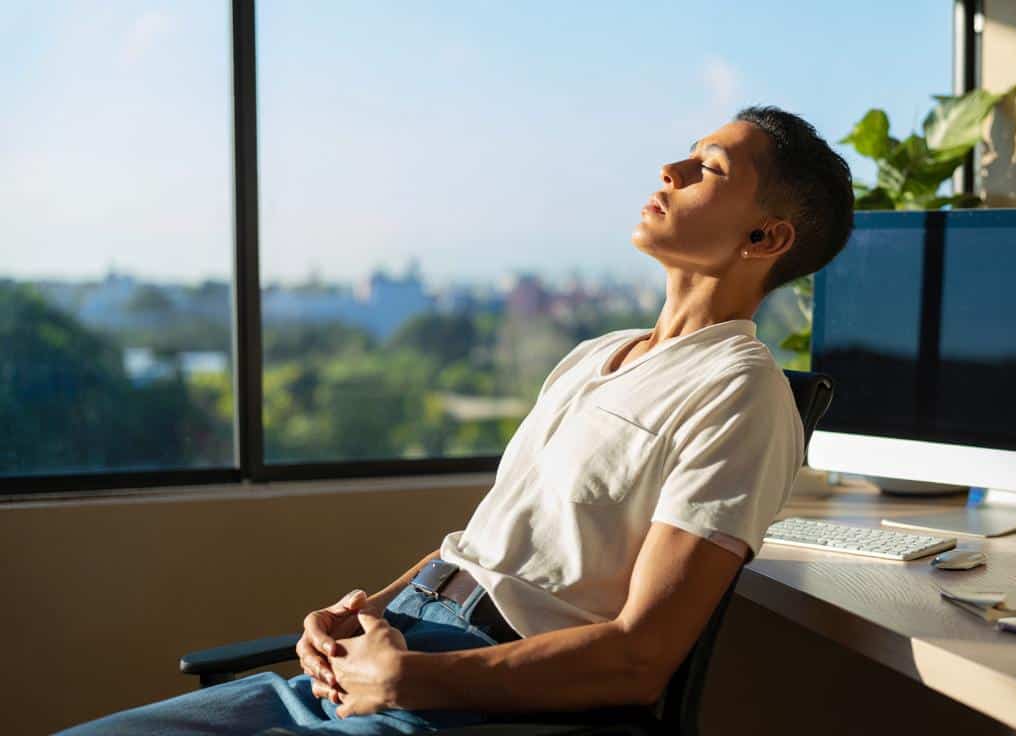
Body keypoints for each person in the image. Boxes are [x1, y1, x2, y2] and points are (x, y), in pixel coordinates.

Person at [60, 106, 854, 735]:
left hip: (471, 688)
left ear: (766, 237)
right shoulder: (595, 354)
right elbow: (484, 548)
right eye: (686, 154)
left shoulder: (740, 393)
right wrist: (363, 610)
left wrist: (417, 681)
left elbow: (640, 659)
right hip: (392, 645)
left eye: (708, 169)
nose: (670, 170)